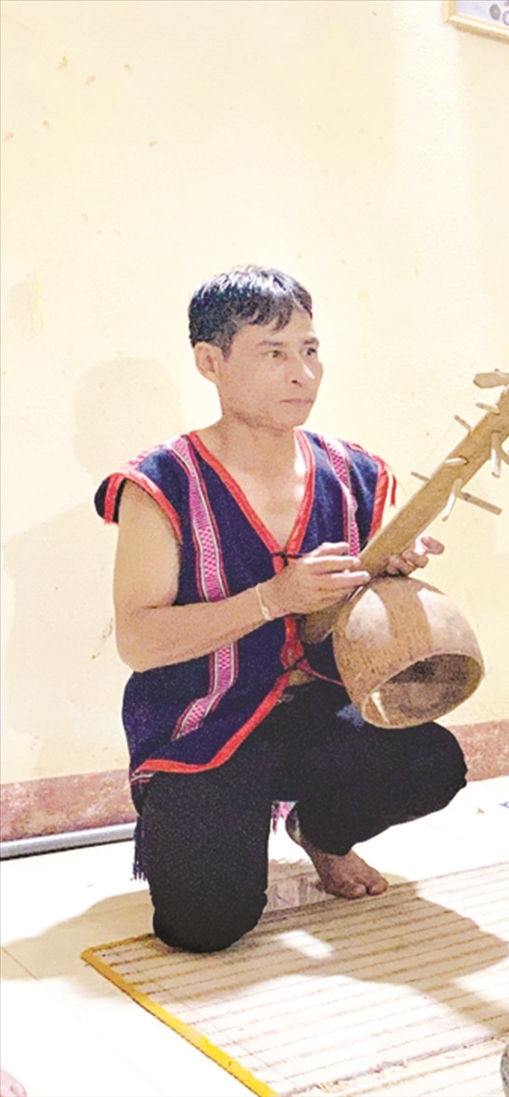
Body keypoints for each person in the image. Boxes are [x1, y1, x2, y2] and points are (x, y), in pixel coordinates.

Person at [96, 267, 467, 952]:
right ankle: (216, 830)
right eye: (274, 353)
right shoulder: (159, 484)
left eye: (311, 349)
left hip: (316, 716)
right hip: (205, 728)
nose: (303, 373)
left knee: (432, 760)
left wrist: (389, 566)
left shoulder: (356, 472)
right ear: (211, 362)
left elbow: (362, 616)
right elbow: (139, 640)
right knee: (204, 924)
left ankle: (320, 833)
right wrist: (274, 598)